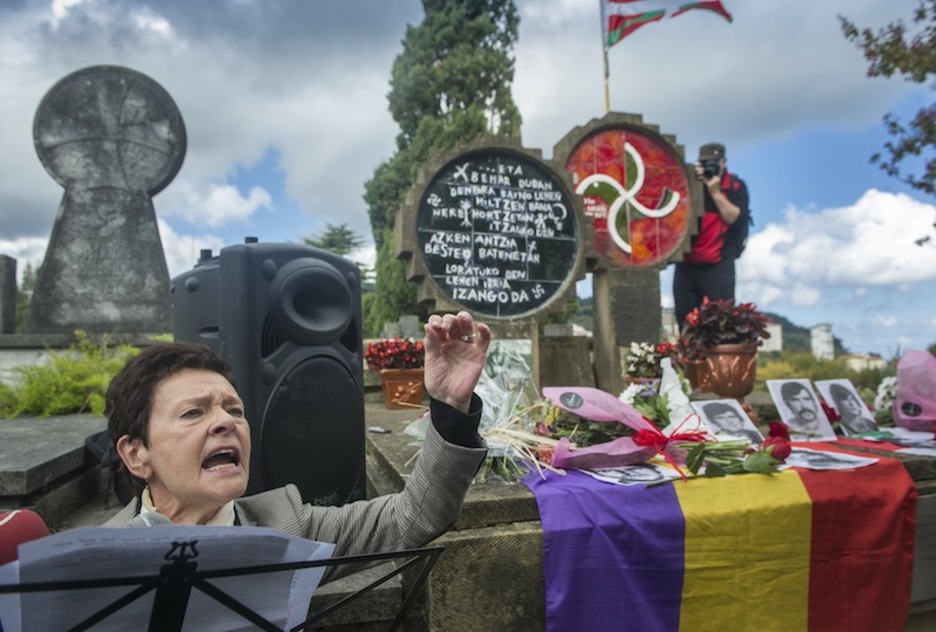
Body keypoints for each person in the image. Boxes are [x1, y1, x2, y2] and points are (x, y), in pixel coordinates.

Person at [103, 311, 491, 576]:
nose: (226, 422)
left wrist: (449, 408)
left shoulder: (288, 526)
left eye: (235, 411)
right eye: (193, 413)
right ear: (136, 454)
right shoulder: (91, 559)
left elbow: (414, 517)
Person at [673, 142, 750, 327]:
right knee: (686, 320)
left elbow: (735, 218)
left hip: (719, 262)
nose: (710, 168)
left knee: (722, 321)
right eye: (705, 163)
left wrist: (714, 191)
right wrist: (693, 181)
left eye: (714, 163)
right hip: (687, 262)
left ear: (724, 162)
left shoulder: (735, 186)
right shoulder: (689, 184)